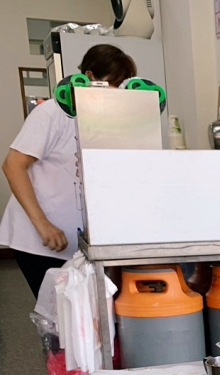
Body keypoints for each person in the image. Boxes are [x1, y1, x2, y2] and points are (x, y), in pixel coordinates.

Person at [0, 44, 137, 298]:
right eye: (112, 83)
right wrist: (44, 225)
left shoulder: (105, 117)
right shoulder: (53, 113)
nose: (116, 93)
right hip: (39, 239)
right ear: (89, 76)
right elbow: (13, 165)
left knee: (81, 311)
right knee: (59, 312)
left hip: (77, 242)